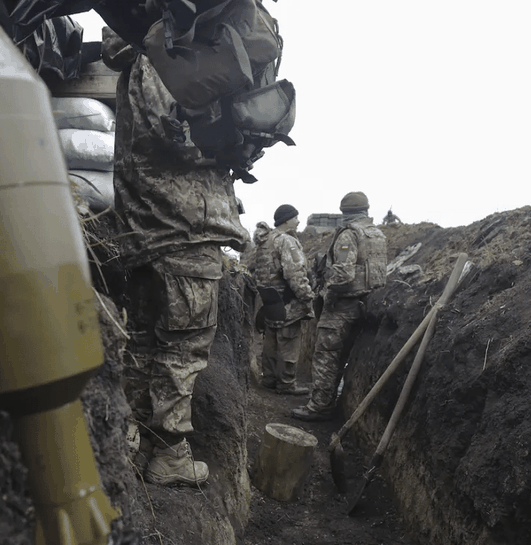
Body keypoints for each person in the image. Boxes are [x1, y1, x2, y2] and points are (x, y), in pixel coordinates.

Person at [102, 29, 250, 486]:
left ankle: (134, 443)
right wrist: (236, 141)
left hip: (150, 230)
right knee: (182, 350)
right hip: (184, 227)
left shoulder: (145, 59)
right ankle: (170, 453)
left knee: (145, 345)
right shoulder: (162, 58)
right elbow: (178, 135)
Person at [292, 192, 387, 421]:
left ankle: (320, 406)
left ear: (344, 212)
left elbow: (344, 274)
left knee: (326, 355)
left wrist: (324, 289)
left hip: (343, 305)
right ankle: (335, 401)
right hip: (368, 303)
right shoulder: (377, 234)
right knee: (345, 356)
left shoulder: (349, 234)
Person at [253, 205, 315, 395]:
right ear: (287, 220)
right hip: (288, 302)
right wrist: (307, 297)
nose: (298, 221)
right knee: (289, 342)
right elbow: (294, 273)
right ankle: (286, 383)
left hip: (271, 301)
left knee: (271, 340)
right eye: (295, 218)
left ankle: (269, 379)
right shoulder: (286, 241)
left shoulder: (265, 241)